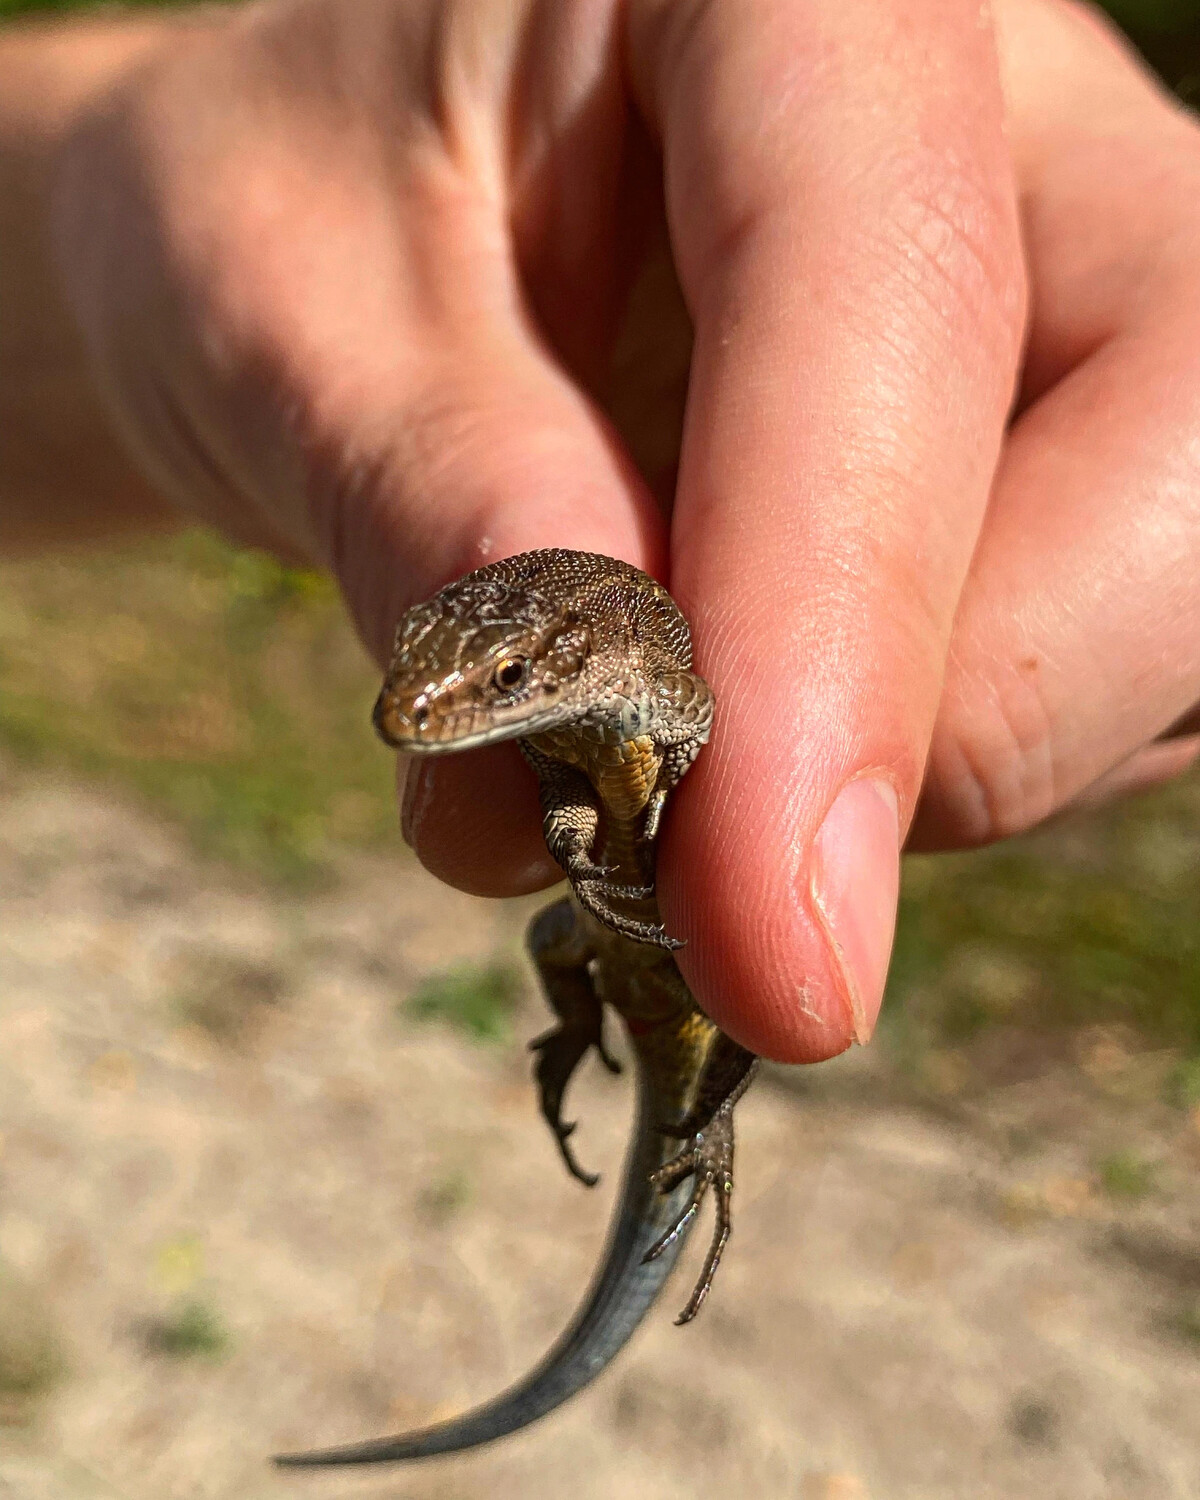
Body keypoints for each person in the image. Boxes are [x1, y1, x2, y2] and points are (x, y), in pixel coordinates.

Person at [3, 0, 1199, 1063]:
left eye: (507, 677)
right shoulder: (583, 751)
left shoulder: (664, 694)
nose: (412, 715)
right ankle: (589, 1032)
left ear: (574, 662)